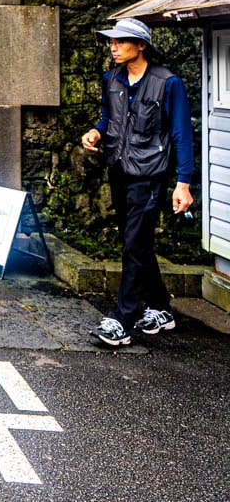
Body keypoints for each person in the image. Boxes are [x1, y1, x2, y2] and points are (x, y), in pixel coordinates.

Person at [80, 17, 194, 347]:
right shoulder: (111, 78)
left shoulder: (168, 82)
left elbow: (182, 135)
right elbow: (108, 117)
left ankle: (123, 320)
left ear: (141, 45)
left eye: (121, 41)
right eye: (110, 42)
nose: (113, 47)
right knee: (137, 243)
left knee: (134, 243)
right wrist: (97, 132)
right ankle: (161, 307)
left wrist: (183, 183)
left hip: (151, 175)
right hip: (119, 169)